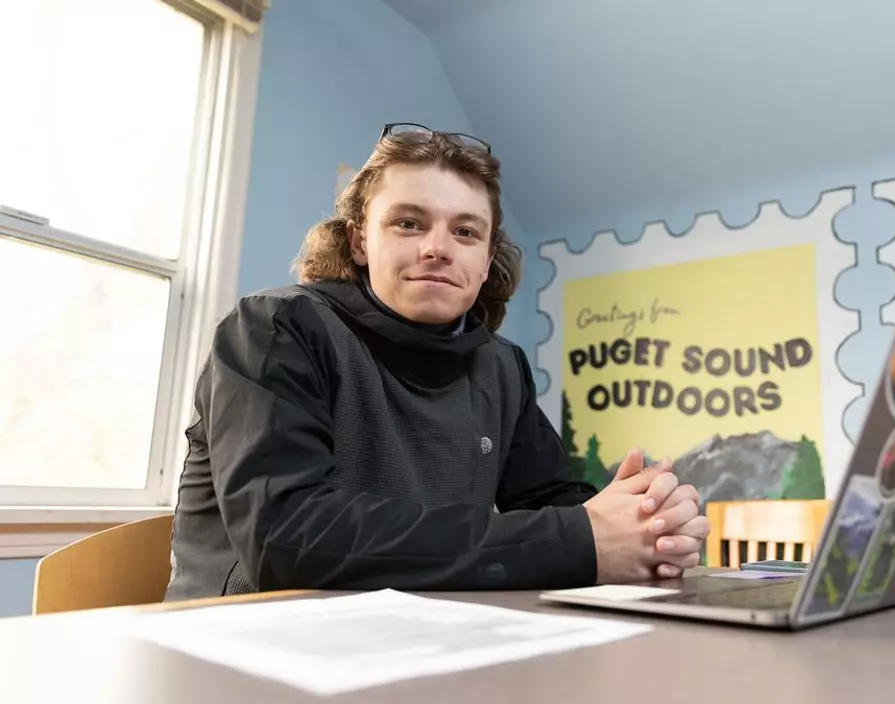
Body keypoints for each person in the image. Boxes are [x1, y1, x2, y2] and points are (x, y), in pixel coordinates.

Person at [164, 124, 708, 601]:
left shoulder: (502, 366)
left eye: (466, 231)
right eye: (408, 223)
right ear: (359, 242)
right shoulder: (275, 329)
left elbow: (556, 503)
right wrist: (580, 541)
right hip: (243, 648)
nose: (438, 248)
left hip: (423, 645)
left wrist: (647, 524)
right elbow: (288, 538)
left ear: (485, 257)